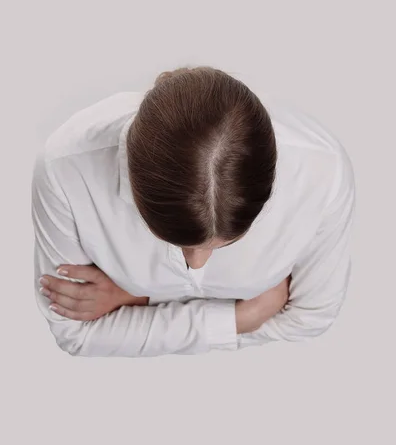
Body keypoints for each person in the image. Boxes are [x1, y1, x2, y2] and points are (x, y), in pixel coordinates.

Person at [31, 65, 355, 357]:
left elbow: (309, 319)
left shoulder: (322, 171)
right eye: (175, 239)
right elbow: (75, 335)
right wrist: (245, 316)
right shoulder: (66, 169)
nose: (197, 264)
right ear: (134, 182)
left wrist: (133, 299)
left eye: (225, 243)